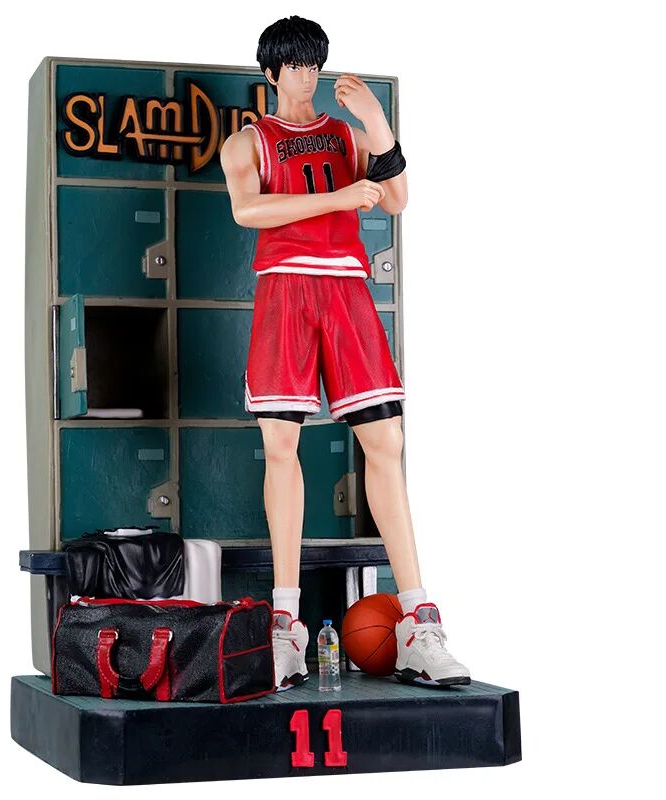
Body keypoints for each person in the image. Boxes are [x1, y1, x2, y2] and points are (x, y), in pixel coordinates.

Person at [220, 15, 470, 690]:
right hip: (285, 288)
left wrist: (377, 123)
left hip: (347, 290)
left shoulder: (347, 135)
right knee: (281, 446)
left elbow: (398, 198)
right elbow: (248, 211)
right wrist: (336, 196)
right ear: (271, 72)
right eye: (296, 66)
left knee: (385, 442)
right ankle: (286, 625)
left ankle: (419, 621)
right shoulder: (248, 141)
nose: (308, 76)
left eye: (314, 65)